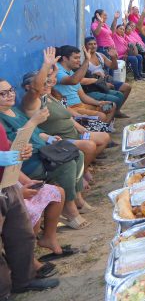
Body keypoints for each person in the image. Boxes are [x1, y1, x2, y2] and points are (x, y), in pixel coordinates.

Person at [0, 86, 88, 230]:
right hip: (28, 161)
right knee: (66, 165)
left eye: (10, 90)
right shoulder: (1, 120)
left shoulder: (14, 110)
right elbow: (16, 146)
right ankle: (69, 208)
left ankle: (76, 197)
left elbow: (37, 132)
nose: (9, 95)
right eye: (2, 93)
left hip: (44, 152)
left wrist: (49, 138)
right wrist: (33, 122)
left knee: (77, 154)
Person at [20, 49, 110, 174]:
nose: (46, 84)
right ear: (27, 87)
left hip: (74, 133)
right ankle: (82, 175)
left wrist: (54, 71)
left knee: (104, 137)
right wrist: (46, 65)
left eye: (47, 81)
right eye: (43, 82)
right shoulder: (32, 102)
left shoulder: (47, 96)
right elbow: (36, 88)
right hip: (60, 139)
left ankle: (85, 166)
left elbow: (47, 85)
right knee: (89, 146)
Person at [0, 125, 60, 297]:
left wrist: (18, 150)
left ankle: (24, 280)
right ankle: (3, 293)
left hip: (8, 184)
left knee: (21, 235)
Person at [54, 46, 116, 123]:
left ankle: (104, 128)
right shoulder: (57, 71)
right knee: (101, 116)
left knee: (111, 106)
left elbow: (82, 96)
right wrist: (86, 60)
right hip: (70, 109)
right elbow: (73, 81)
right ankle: (100, 130)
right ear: (65, 58)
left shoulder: (71, 72)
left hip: (81, 105)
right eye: (76, 58)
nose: (79, 61)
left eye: (79, 58)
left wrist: (99, 103)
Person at [83, 37, 131, 118]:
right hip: (95, 85)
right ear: (85, 46)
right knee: (116, 98)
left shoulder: (100, 55)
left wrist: (113, 57)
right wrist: (100, 79)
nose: (93, 46)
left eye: (94, 44)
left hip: (105, 80)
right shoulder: (84, 59)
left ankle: (116, 111)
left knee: (127, 87)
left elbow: (114, 67)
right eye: (90, 44)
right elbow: (85, 77)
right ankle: (108, 112)